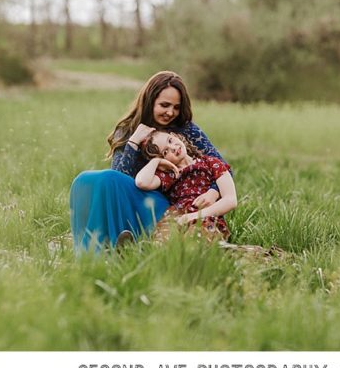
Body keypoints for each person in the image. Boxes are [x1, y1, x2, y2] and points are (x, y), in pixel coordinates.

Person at [69, 70, 227, 252]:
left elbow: (221, 167)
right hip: (136, 196)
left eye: (176, 107)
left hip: (169, 206)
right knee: (84, 180)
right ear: (149, 102)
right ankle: (87, 251)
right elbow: (119, 180)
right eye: (165, 105)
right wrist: (133, 142)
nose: (171, 112)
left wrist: (213, 193)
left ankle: (111, 249)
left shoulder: (186, 129)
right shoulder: (127, 130)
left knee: (106, 179)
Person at [135, 130, 237, 241]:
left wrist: (194, 216)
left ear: (175, 135)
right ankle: (126, 246)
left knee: (194, 240)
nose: (173, 148)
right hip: (177, 218)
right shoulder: (170, 174)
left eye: (170, 140)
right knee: (162, 245)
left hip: (207, 217)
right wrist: (155, 161)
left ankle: (237, 251)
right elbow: (141, 182)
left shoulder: (211, 163)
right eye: (165, 152)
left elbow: (230, 200)